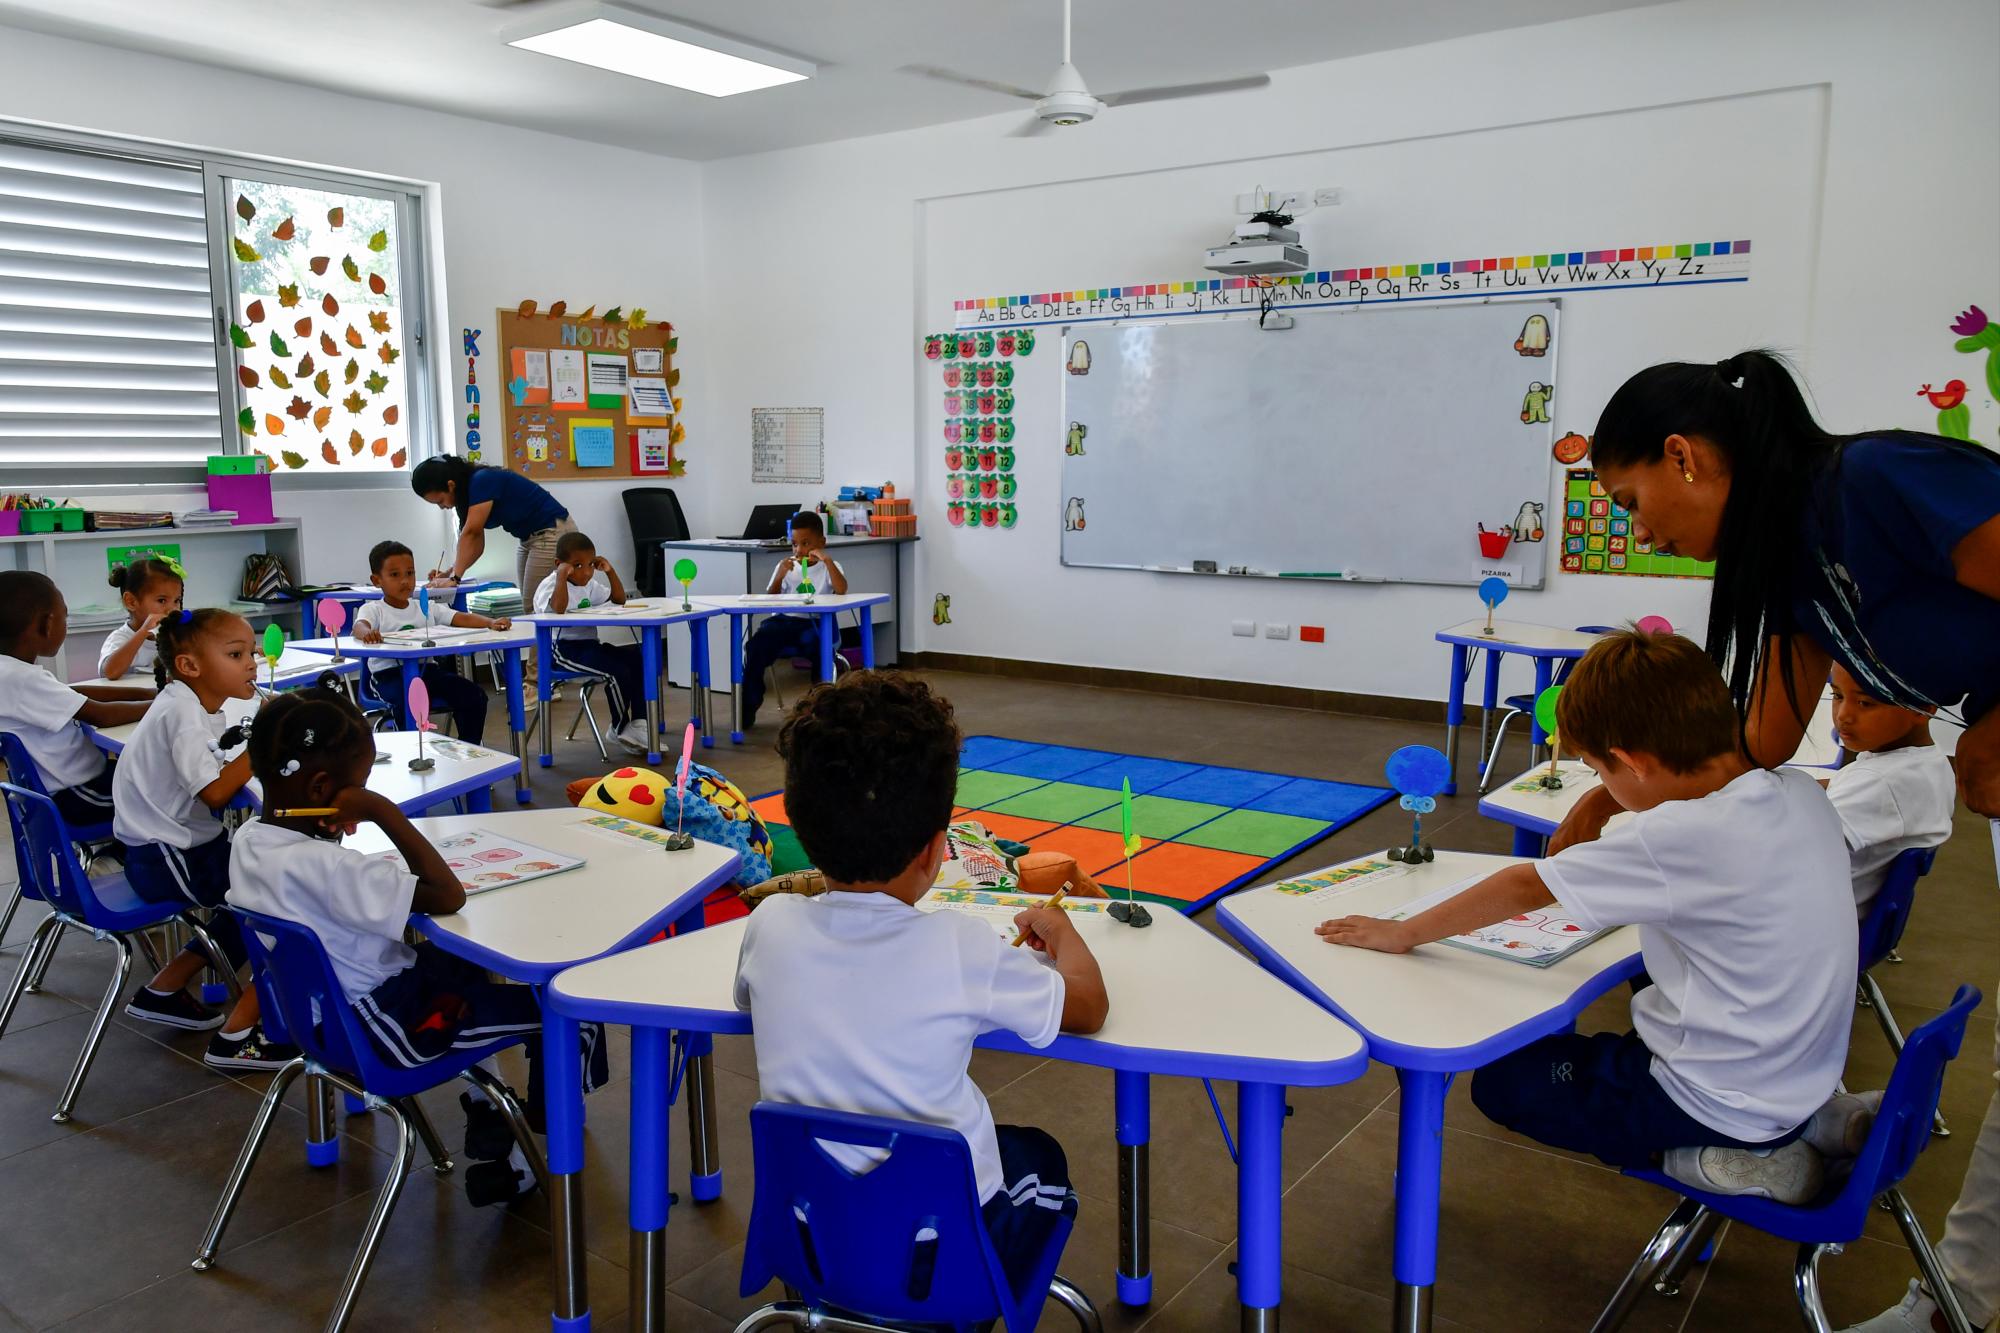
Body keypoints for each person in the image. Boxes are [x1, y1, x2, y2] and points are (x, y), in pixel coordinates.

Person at [1537, 351, 2000, 1332]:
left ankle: (1950, 1300)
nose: (1638, 527)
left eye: (1628, 498)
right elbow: (1755, 745)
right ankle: (1952, 1298)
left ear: (1684, 457)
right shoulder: (1794, 571)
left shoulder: (1869, 484)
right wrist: (1615, 801)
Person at [1324, 628, 1863, 1203]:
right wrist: (1602, 798)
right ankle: (1814, 1123)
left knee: (1506, 1083)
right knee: (1628, 1004)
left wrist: (1403, 931)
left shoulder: (1680, 835)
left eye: (1599, 773)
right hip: (1801, 1072)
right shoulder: (1798, 789)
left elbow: (1525, 886)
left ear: (1631, 762)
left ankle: (1733, 1157)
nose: (1602, 785)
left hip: (1714, 1099)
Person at [733, 671, 1108, 1281]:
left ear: (800, 833)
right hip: (940, 1259)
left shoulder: (770, 923)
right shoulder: (962, 947)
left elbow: (751, 1001)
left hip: (808, 1236)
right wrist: (1062, 933)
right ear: (939, 850)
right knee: (1039, 1156)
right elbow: (1088, 1006)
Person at [225, 687, 606, 1205]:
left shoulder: (250, 841)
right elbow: (448, 895)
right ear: (322, 787)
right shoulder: (330, 867)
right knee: (572, 1017)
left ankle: (489, 1110)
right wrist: (384, 813)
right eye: (357, 787)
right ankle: (534, 1146)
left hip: (315, 1020)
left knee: (457, 958)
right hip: (385, 1028)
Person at [113, 609, 294, 1070]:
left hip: (171, 848)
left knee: (259, 890)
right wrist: (264, 744)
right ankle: (240, 1035)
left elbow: (216, 764)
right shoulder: (182, 714)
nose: (252, 662)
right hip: (166, 857)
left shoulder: (191, 703)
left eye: (252, 652)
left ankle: (165, 987)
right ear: (191, 666)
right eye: (236, 654)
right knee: (283, 900)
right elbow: (214, 790)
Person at [0, 571, 151, 827]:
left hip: (54, 791)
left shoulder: (11, 672)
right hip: (77, 795)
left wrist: (146, 694)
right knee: (167, 792)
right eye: (64, 617)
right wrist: (166, 704)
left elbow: (72, 693)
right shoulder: (22, 678)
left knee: (152, 777)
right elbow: (101, 714)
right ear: (47, 624)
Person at [1820, 663, 1955, 915]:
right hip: (1848, 915)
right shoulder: (1928, 763)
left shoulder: (1879, 782)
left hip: (1815, 927)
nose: (1843, 715)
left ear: (1923, 708)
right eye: (1837, 695)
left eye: (1865, 703)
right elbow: (1844, 786)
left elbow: (1792, 849)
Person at [353, 540, 511, 744]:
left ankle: (468, 748)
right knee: (407, 703)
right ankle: (411, 752)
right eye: (395, 575)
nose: (404, 581)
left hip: (428, 671)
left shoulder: (424, 605)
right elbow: (359, 626)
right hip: (389, 676)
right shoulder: (374, 609)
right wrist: (367, 633)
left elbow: (459, 617)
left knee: (474, 695)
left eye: (410, 573)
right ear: (376, 580)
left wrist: (490, 622)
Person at [532, 530, 650, 754]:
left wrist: (610, 571)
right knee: (615, 671)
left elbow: (619, 599)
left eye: (590, 564)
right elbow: (557, 609)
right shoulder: (550, 585)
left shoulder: (590, 584)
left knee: (636, 658)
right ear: (559, 564)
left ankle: (639, 724)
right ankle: (619, 727)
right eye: (577, 565)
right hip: (562, 652)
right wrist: (560, 577)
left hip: (589, 647)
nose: (586, 572)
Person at [740, 511, 853, 731]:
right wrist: (781, 574)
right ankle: (747, 707)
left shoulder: (830, 565)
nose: (799, 550)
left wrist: (826, 560)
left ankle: (820, 709)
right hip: (784, 622)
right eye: (794, 544)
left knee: (821, 650)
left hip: (816, 624)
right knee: (755, 647)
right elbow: (770, 598)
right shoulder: (786, 567)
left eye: (806, 544)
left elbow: (841, 589)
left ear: (821, 543)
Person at [409, 456, 572, 602]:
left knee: (535, 605)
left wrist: (455, 578)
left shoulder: (481, 481)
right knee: (530, 603)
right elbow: (475, 546)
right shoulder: (465, 497)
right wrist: (450, 573)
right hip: (531, 538)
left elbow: (471, 533)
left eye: (440, 501)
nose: (441, 507)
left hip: (552, 531)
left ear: (450, 485)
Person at [98, 556, 184, 680]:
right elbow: (110, 672)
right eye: (162, 600)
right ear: (131, 602)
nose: (172, 609)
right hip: (132, 698)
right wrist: (143, 632)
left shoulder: (175, 637)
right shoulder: (119, 638)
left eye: (177, 600)